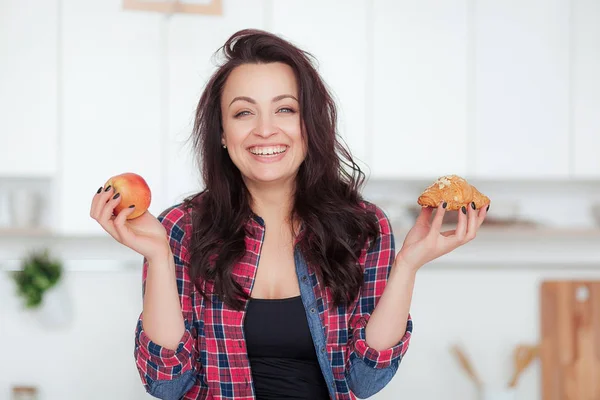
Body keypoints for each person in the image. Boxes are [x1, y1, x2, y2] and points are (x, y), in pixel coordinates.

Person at [89, 29, 488, 400]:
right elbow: (166, 383)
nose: (265, 129)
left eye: (285, 109)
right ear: (223, 134)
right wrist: (159, 256)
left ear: (310, 124)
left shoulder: (363, 227)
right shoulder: (180, 228)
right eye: (244, 113)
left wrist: (407, 265)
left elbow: (365, 381)